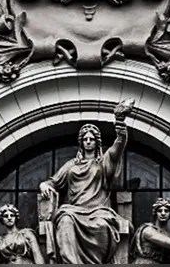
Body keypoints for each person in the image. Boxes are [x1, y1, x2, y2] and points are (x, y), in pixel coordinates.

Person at [38, 100, 135, 264]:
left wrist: (120, 123)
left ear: (97, 142)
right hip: (73, 210)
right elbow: (53, 182)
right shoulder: (71, 165)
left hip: (99, 211)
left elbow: (118, 147)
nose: (88, 141)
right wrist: (43, 185)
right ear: (81, 143)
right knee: (65, 221)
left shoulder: (103, 162)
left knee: (102, 226)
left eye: (91, 139)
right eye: (85, 139)